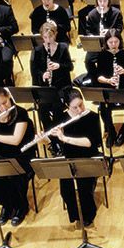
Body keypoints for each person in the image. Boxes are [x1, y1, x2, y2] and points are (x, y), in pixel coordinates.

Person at [0, 86, 36, 226]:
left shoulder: (20, 113)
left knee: (14, 175)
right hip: (2, 152)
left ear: (9, 97)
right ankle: (7, 206)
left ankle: (21, 207)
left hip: (21, 153)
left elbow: (16, 140)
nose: (3, 107)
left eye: (5, 102)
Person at [49, 88, 103, 228]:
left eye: (81, 104)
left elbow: (90, 142)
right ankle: (75, 215)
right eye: (75, 107)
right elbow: (53, 142)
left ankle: (88, 215)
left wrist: (65, 138)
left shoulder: (92, 117)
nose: (79, 109)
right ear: (67, 106)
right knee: (66, 191)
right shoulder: (61, 118)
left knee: (84, 189)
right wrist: (44, 139)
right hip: (68, 157)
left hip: (88, 156)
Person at [96, 28, 124, 146]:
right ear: (106, 42)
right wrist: (108, 80)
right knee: (103, 108)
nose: (113, 45)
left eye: (116, 42)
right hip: (109, 87)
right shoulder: (102, 55)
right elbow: (98, 77)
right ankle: (111, 132)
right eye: (111, 42)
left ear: (120, 41)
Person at [30, 21, 74, 133]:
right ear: (42, 37)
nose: (48, 40)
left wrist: (59, 66)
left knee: (57, 108)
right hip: (45, 88)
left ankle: (58, 134)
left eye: (50, 37)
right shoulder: (37, 51)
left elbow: (70, 66)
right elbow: (34, 71)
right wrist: (43, 75)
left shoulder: (63, 47)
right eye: (45, 37)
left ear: (55, 35)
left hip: (61, 87)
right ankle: (50, 135)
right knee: (42, 111)